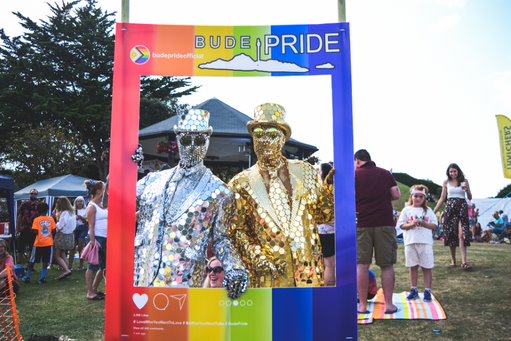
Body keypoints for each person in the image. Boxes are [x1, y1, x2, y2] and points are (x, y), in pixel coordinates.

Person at [134, 108, 248, 299]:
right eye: (187, 140)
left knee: (180, 329)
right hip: (141, 279)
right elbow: (116, 200)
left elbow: (221, 239)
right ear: (178, 140)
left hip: (184, 284)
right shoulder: (152, 181)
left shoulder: (220, 192)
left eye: (200, 141)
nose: (192, 147)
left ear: (208, 142)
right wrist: (124, 167)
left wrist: (235, 267)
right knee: (144, 329)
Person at [226, 103, 335, 288]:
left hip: (307, 272)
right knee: (268, 317)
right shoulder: (240, 183)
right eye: (258, 135)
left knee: (305, 317)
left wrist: (332, 190)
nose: (264, 141)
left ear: (283, 139)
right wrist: (255, 256)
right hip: (266, 276)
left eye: (272, 135)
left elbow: (324, 215)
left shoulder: (305, 172)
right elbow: (234, 230)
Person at [354, 149, 400, 314]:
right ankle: (389, 305)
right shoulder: (385, 173)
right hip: (384, 223)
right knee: (387, 265)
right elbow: (396, 195)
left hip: (362, 224)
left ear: (358, 161)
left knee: (362, 265)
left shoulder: (354, 175)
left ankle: (362, 306)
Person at [396, 185, 438, 302]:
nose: (418, 198)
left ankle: (427, 291)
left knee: (427, 267)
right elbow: (401, 225)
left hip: (425, 243)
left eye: (421, 196)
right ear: (412, 196)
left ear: (424, 198)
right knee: (412, 266)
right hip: (410, 242)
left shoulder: (428, 211)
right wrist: (412, 224)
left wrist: (424, 224)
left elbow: (435, 226)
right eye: (416, 196)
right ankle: (414, 290)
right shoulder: (406, 210)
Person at [433, 163, 472, 270]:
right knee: (451, 234)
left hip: (462, 208)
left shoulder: (465, 181)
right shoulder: (446, 182)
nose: (453, 173)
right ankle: (453, 259)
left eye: (454, 171)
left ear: (458, 171)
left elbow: (470, 196)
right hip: (450, 208)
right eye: (451, 171)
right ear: (448, 173)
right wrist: (433, 211)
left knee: (462, 234)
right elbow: (442, 198)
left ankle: (464, 262)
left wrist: (467, 190)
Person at [85, 180, 107, 301]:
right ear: (99, 191)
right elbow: (91, 225)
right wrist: (93, 241)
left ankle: (94, 288)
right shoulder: (91, 206)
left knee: (104, 266)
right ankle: (89, 292)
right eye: (105, 187)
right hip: (96, 238)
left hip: (105, 237)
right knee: (92, 265)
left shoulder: (103, 204)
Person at [24, 203, 56, 284]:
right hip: (48, 243)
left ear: (38, 211)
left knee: (32, 260)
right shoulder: (51, 219)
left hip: (38, 243)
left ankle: (27, 277)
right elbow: (54, 230)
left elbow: (35, 231)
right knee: (45, 261)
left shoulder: (36, 220)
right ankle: (42, 278)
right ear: (47, 210)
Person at [317, 162, 336, 286]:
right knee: (332, 264)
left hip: (323, 231)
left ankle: (329, 289)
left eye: (319, 170)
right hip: (335, 230)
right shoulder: (335, 189)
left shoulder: (319, 189)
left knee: (328, 264)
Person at [53, 197, 75, 280]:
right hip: (70, 235)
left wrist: (56, 224)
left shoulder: (64, 213)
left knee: (57, 255)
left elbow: (61, 225)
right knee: (62, 253)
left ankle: (66, 270)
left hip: (62, 235)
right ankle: (68, 269)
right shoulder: (72, 212)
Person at [16, 188, 40, 265]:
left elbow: (41, 217)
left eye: (35, 194)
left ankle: (30, 265)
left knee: (32, 248)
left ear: (37, 195)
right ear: (29, 194)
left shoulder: (39, 205)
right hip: (23, 228)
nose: (33, 195)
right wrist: (17, 228)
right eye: (32, 193)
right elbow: (20, 216)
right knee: (20, 247)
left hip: (34, 229)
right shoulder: (24, 204)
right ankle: (19, 264)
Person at [69, 196, 87, 270]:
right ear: (75, 202)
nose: (79, 202)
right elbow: (69, 220)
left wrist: (81, 218)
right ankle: (70, 266)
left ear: (83, 202)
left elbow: (87, 222)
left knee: (80, 247)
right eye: (78, 201)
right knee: (72, 248)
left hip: (83, 228)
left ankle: (81, 266)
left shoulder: (86, 210)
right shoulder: (73, 210)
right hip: (74, 228)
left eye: (81, 201)